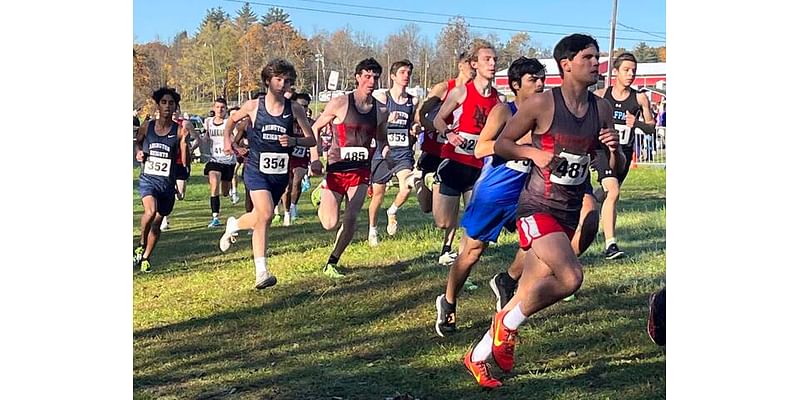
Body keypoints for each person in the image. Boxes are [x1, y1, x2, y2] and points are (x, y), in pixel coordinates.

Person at [463, 34, 621, 388]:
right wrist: (533, 154)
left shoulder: (602, 109)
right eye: (589, 58)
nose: (597, 63)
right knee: (570, 278)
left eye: (598, 58)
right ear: (566, 64)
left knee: (528, 291)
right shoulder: (540, 104)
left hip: (567, 210)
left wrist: (613, 151)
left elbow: (611, 165)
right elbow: (501, 144)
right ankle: (507, 327)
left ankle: (476, 357)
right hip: (537, 206)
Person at [434, 57, 546, 337]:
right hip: (494, 192)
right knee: (471, 253)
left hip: (528, 191)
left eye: (542, 78)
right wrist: (518, 146)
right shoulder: (504, 111)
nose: (541, 84)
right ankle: (448, 301)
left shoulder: (546, 113)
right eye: (534, 80)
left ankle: (507, 280)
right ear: (516, 85)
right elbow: (481, 149)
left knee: (540, 243)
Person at [217, 59, 317, 289]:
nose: (284, 84)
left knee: (262, 216)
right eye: (279, 79)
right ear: (267, 81)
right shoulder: (254, 106)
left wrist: (294, 140)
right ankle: (261, 272)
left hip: (279, 172)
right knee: (267, 213)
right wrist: (228, 141)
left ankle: (234, 225)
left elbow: (311, 139)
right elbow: (231, 121)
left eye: (288, 81)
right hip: (255, 169)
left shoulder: (295, 109)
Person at [309, 58, 389, 278]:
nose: (371, 81)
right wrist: (315, 158)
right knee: (329, 223)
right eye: (367, 76)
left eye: (375, 77)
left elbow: (382, 138)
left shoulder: (381, 110)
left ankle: (332, 261)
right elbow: (315, 128)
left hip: (361, 171)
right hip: (336, 168)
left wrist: (386, 151)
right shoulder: (340, 103)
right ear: (357, 77)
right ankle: (322, 191)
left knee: (352, 218)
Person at [432, 40, 499, 267]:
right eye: (486, 59)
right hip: (454, 161)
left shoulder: (499, 100)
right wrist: (449, 134)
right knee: (443, 222)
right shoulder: (461, 92)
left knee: (474, 223)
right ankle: (431, 182)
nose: (492, 64)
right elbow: (438, 119)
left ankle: (462, 262)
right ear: (474, 64)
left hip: (479, 166)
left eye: (494, 60)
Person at [592, 52, 656, 259]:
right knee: (613, 191)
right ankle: (611, 244)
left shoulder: (640, 98)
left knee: (603, 194)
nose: (631, 74)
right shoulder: (602, 95)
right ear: (615, 72)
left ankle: (582, 206)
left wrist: (636, 123)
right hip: (603, 150)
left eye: (634, 71)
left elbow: (652, 128)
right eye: (626, 70)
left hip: (624, 153)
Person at [417, 51, 473, 264]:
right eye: (469, 63)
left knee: (461, 204)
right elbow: (421, 114)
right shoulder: (444, 88)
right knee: (427, 207)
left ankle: (447, 249)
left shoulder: (475, 92)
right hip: (434, 150)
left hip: (458, 155)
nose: (473, 68)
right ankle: (425, 181)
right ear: (461, 65)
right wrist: (441, 129)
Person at [133, 87, 189, 272]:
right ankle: (141, 242)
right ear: (158, 105)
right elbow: (138, 142)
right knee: (150, 211)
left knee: (157, 223)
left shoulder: (179, 131)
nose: (167, 106)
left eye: (171, 103)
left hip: (167, 184)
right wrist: (139, 152)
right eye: (163, 102)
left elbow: (184, 161)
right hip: (148, 180)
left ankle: (146, 258)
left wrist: (186, 143)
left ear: (175, 107)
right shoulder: (147, 126)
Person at [367, 59, 420, 246]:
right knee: (378, 195)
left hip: (403, 152)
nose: (406, 76)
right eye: (402, 72)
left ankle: (393, 211)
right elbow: (374, 123)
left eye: (409, 73)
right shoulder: (383, 98)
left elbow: (414, 121)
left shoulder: (413, 100)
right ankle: (372, 229)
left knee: (406, 186)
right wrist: (387, 119)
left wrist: (415, 128)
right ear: (393, 76)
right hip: (383, 152)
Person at [279, 92, 314, 226]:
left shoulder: (309, 123)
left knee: (297, 182)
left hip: (301, 157)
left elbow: (314, 140)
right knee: (286, 187)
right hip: (287, 156)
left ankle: (293, 206)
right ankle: (286, 212)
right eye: (301, 106)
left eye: (306, 107)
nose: (303, 109)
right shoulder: (286, 121)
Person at [203, 98, 237, 228]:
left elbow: (234, 138)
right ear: (213, 108)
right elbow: (206, 137)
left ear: (226, 109)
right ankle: (215, 217)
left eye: (222, 107)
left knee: (224, 192)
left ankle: (229, 192)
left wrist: (236, 146)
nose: (220, 110)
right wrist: (194, 147)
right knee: (214, 185)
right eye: (217, 107)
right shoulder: (208, 122)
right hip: (214, 160)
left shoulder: (229, 122)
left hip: (228, 160)